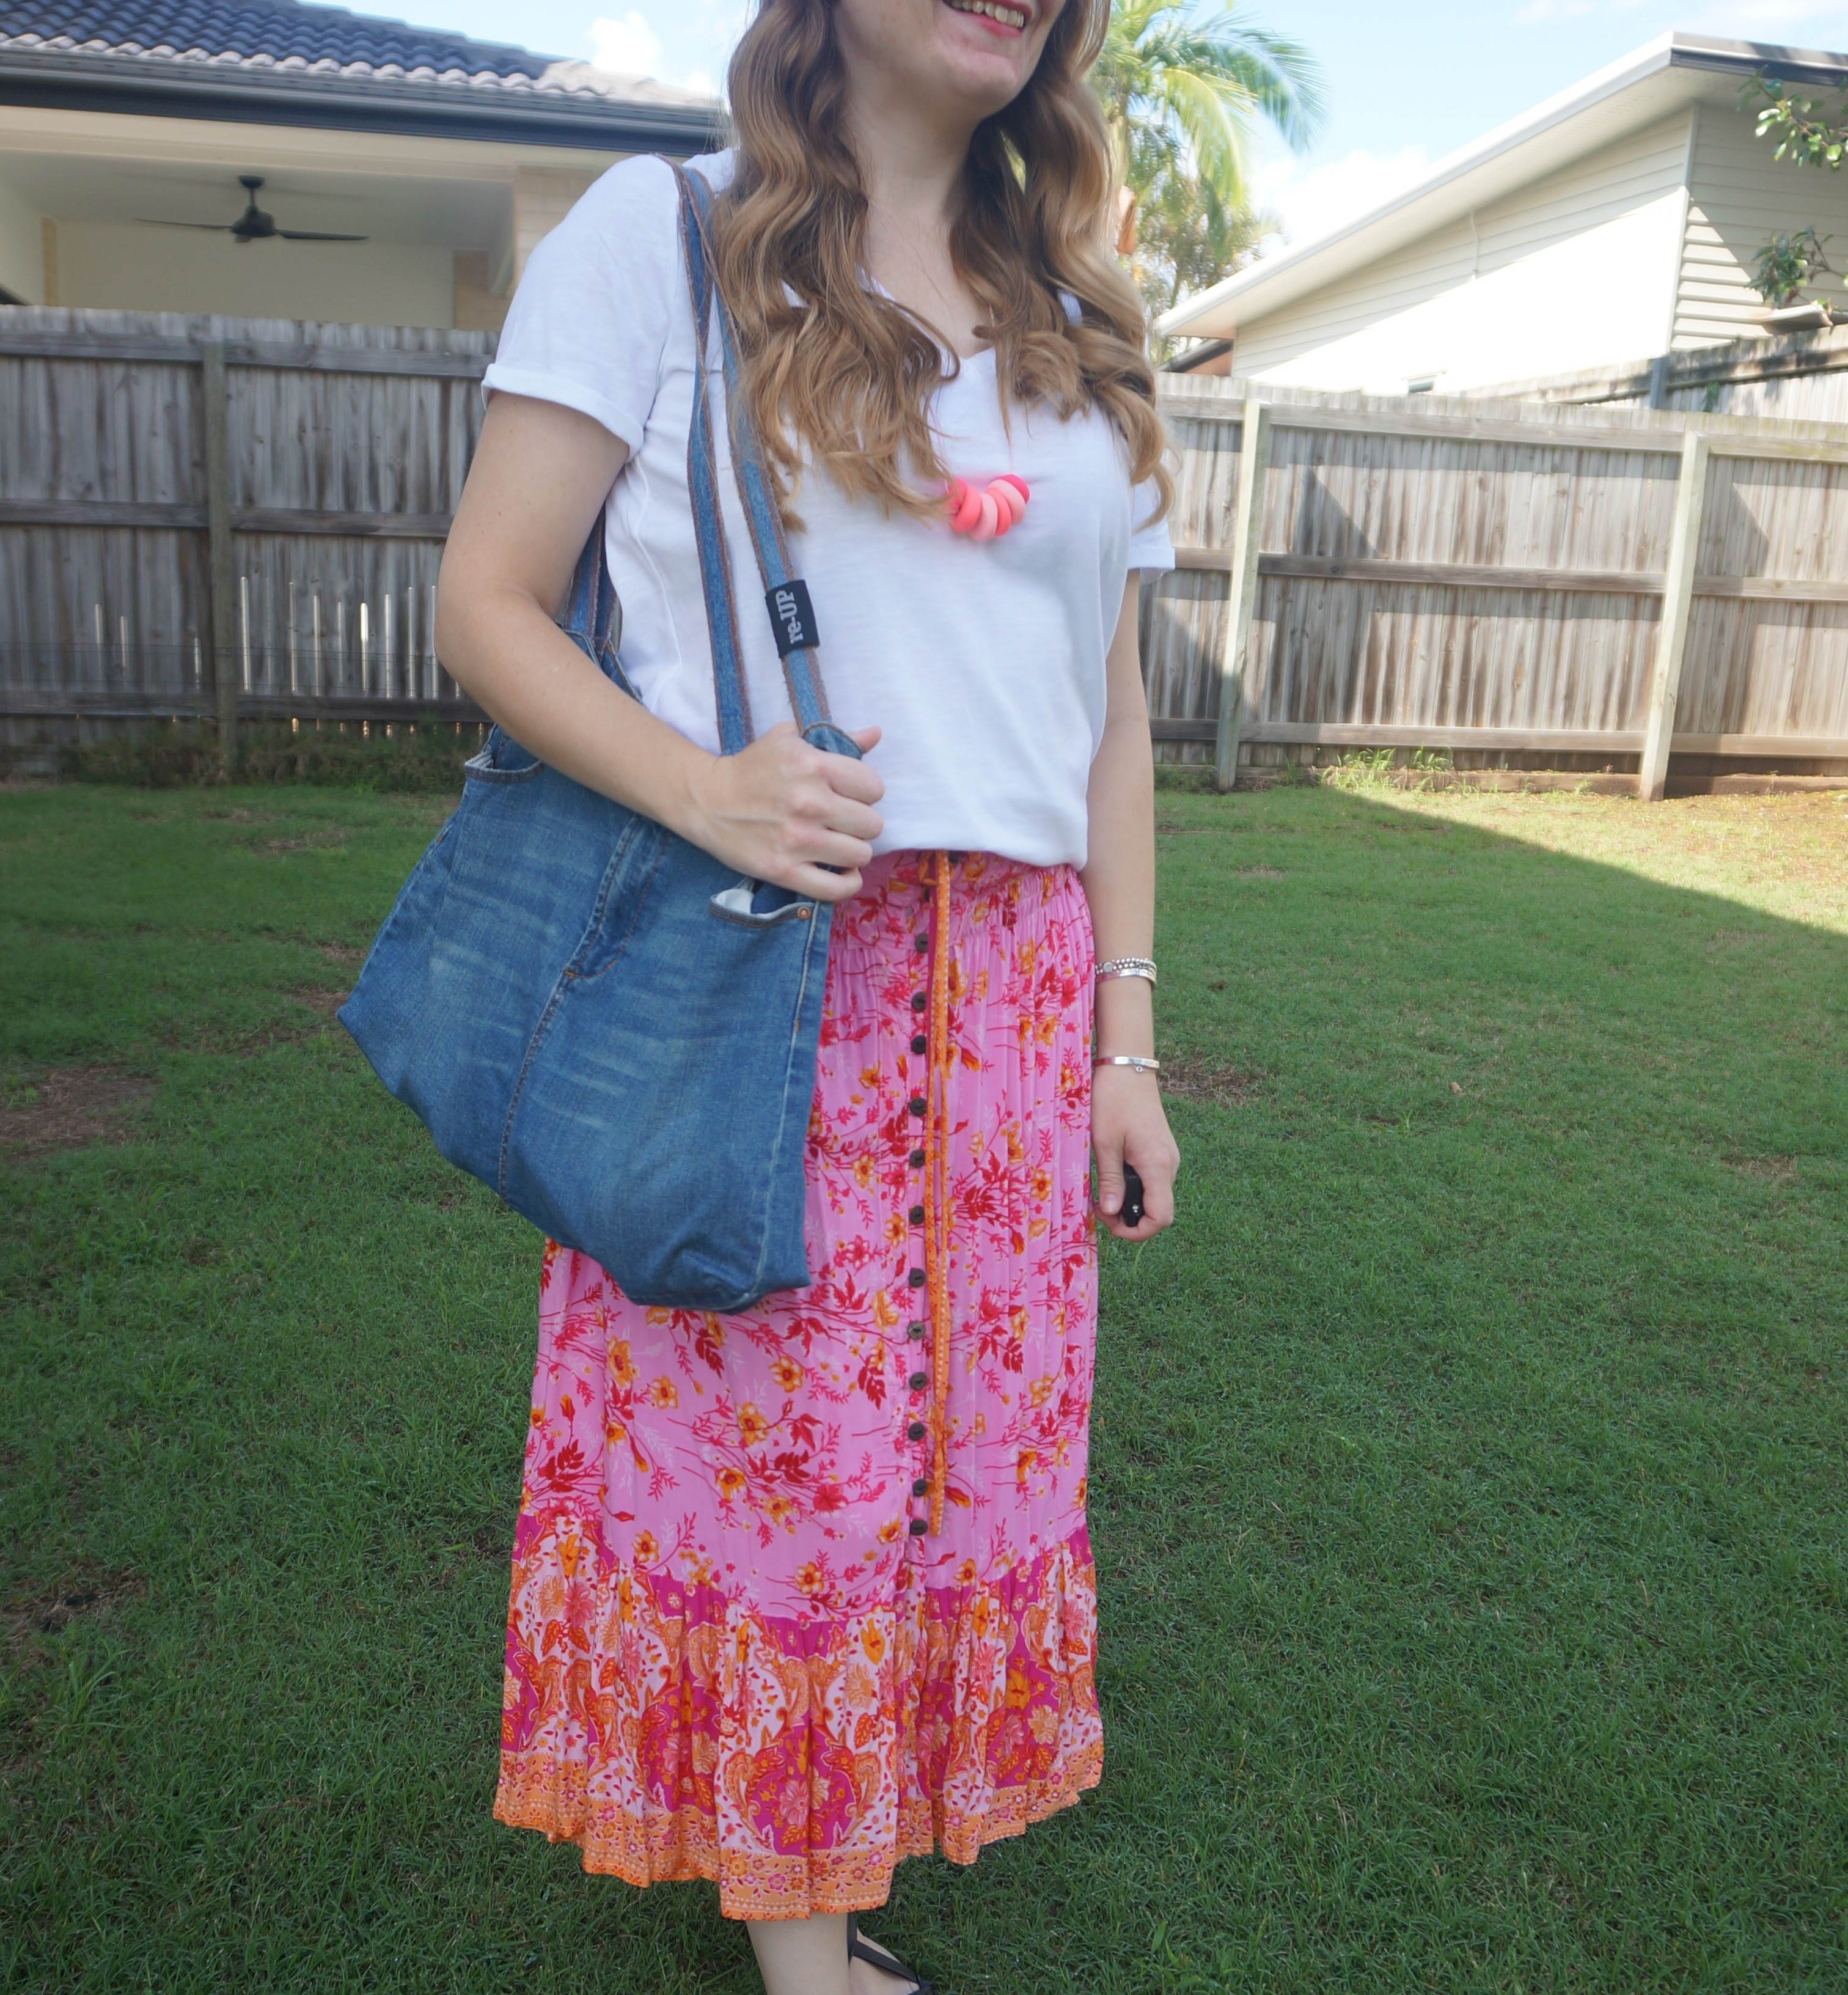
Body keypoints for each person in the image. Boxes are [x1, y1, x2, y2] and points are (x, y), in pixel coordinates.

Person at [434, 1, 1180, 1988]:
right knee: (784, 1483)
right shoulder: (663, 236)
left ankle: (829, 1906)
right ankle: (807, 1958)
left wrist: (1126, 1045)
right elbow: (487, 600)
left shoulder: (1084, 317)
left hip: (1017, 1017)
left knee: (951, 1483)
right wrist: (709, 786)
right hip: (770, 977)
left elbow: (1108, 724)